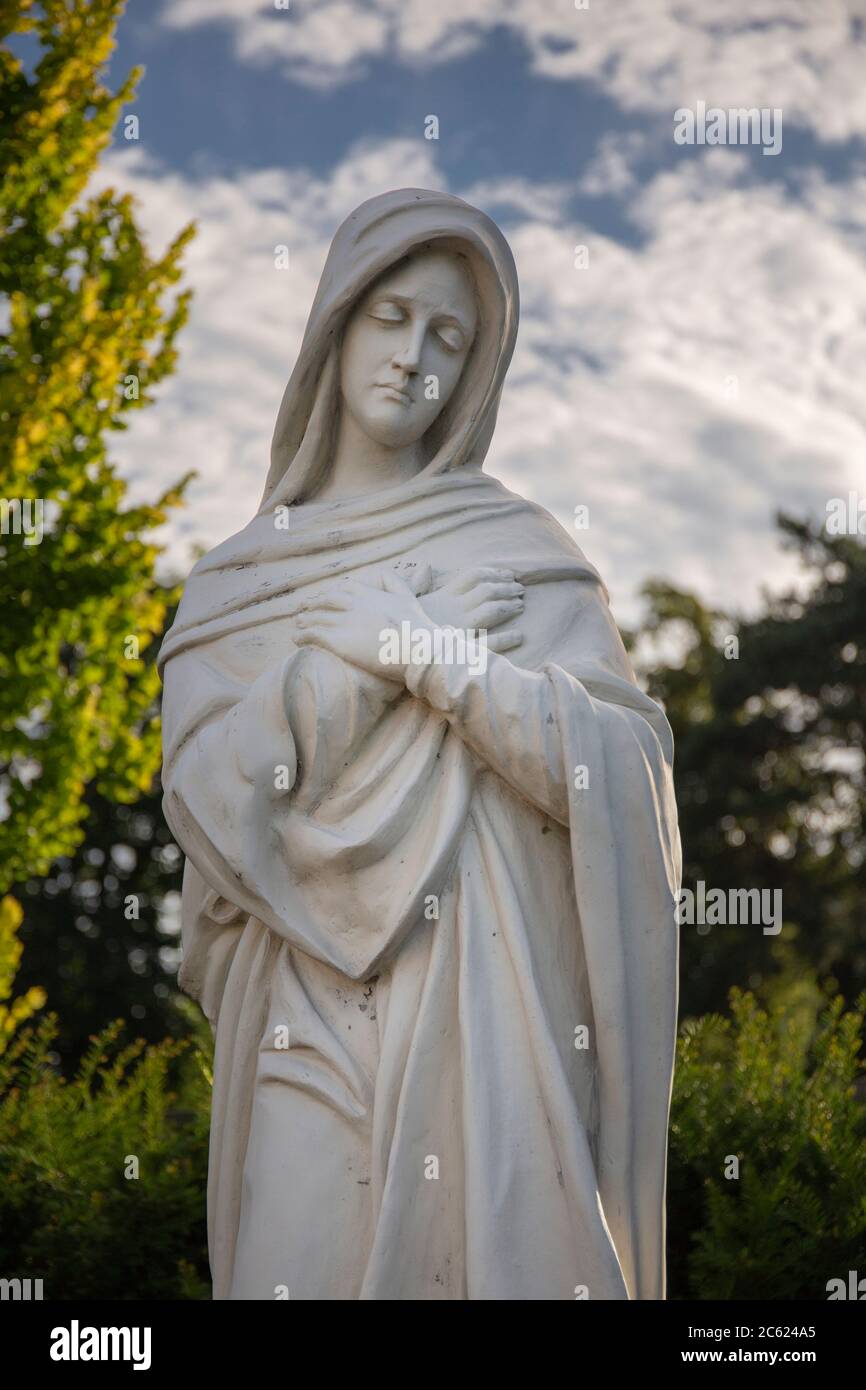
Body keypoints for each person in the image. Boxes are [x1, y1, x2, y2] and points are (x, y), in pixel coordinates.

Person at [158, 187, 681, 1300]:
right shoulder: (238, 581)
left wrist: (440, 660)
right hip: (306, 1022)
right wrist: (352, 663)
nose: (412, 357)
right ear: (335, 327)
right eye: (390, 316)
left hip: (492, 1025)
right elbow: (211, 797)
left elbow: (618, 776)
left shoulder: (520, 549)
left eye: (448, 336)